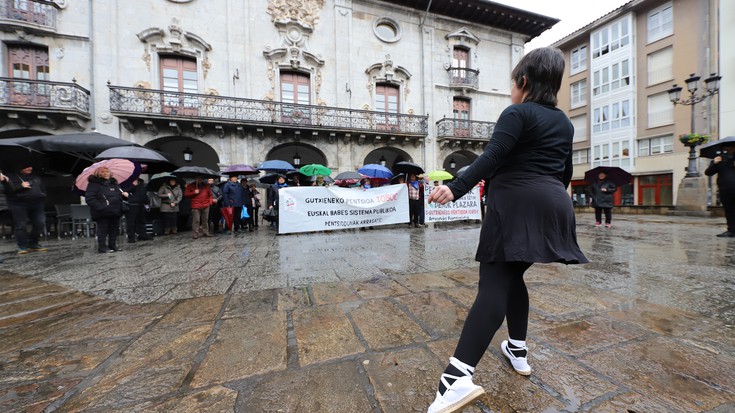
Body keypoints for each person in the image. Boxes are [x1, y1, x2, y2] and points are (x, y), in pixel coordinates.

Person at [425, 47, 588, 413]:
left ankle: (455, 378)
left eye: (512, 83)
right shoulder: (564, 122)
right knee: (514, 277)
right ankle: (517, 349)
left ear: (523, 82)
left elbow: (492, 156)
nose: (510, 90)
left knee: (494, 284)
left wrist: (456, 185)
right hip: (554, 203)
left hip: (515, 204)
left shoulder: (517, 112)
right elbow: (565, 172)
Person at [0, 164, 48, 254]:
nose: (30, 168)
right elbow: (6, 191)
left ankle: (33, 243)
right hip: (19, 204)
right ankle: (22, 246)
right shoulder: (11, 177)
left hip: (37, 203)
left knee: (40, 223)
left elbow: (42, 188)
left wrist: (42, 195)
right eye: (27, 166)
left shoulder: (35, 176)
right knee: (21, 225)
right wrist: (20, 186)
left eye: (31, 166)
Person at [85, 167, 128, 253]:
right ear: (98, 174)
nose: (105, 173)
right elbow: (90, 198)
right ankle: (102, 247)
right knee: (103, 230)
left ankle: (112, 245)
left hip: (115, 210)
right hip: (102, 212)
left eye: (107, 172)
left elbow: (118, 195)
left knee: (114, 229)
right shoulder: (94, 184)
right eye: (103, 172)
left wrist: (124, 195)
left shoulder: (114, 183)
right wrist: (101, 207)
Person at [705, 142, 735, 237]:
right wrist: (714, 163)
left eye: (731, 147)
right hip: (725, 189)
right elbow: (708, 173)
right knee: (729, 210)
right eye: (726, 148)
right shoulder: (719, 159)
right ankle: (731, 230)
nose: (728, 150)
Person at [124, 178, 152, 243]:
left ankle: (142, 235)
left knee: (141, 221)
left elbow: (144, 195)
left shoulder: (142, 184)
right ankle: (131, 237)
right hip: (132, 205)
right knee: (131, 222)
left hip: (141, 205)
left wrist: (147, 202)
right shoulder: (128, 183)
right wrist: (133, 185)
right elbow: (124, 192)